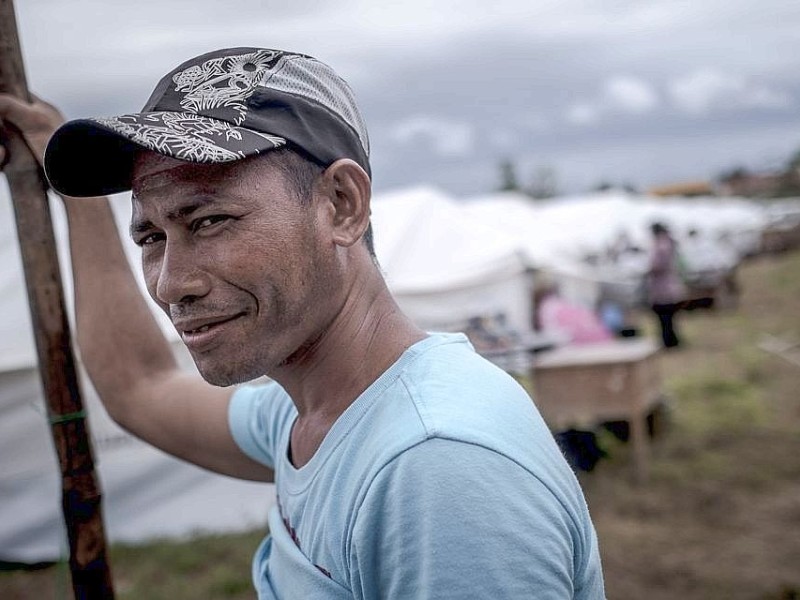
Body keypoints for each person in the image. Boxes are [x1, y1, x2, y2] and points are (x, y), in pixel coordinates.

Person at [0, 47, 604, 598]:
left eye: (210, 220)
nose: (169, 283)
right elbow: (141, 389)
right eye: (152, 235)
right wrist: (67, 186)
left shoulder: (435, 468)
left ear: (341, 204)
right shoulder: (314, 412)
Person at [647, 222, 686, 348]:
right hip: (668, 285)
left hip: (663, 287)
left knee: (665, 317)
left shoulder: (661, 245)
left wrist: (648, 270)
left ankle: (669, 341)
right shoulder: (668, 243)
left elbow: (657, 266)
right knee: (669, 317)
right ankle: (671, 340)